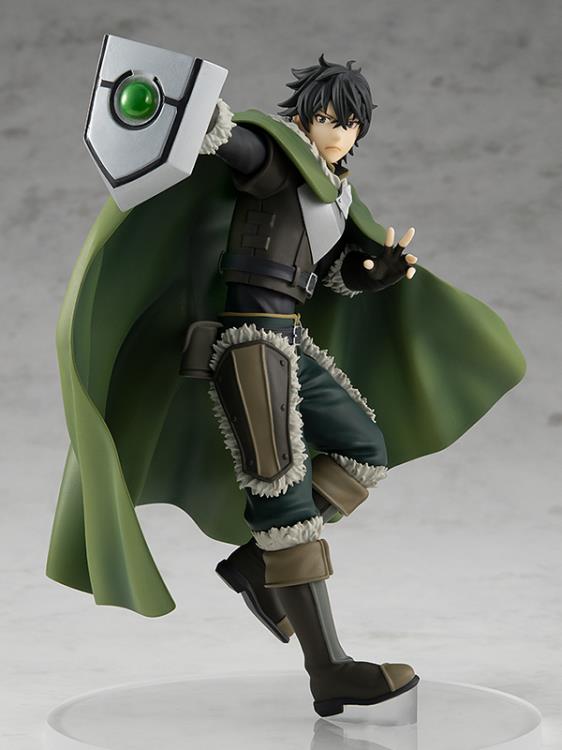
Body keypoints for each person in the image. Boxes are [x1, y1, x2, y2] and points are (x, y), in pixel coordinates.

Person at [47, 50, 525, 718]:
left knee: (363, 449)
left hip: (290, 338)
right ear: (302, 117)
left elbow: (332, 272)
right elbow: (239, 149)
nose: (336, 132)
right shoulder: (279, 159)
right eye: (325, 117)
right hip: (249, 344)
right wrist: (196, 115)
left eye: (348, 123)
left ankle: (257, 566)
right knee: (282, 493)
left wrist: (375, 273)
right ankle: (329, 670)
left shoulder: (336, 189)